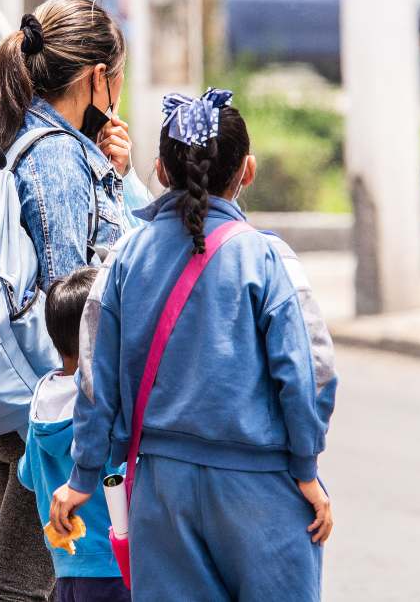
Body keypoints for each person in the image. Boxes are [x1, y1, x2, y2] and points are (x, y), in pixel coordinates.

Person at [49, 89, 339, 601]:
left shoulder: (123, 259)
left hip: (162, 491)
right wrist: (306, 470)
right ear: (246, 171)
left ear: (160, 170)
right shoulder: (268, 259)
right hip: (261, 487)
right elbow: (309, 371)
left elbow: (95, 377)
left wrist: (84, 475)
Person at [0, 0, 131, 602]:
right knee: (22, 586)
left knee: (34, 580)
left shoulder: (28, 138)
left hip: (17, 387)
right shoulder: (59, 156)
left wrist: (112, 174)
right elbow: (74, 299)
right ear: (97, 77)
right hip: (52, 401)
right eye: (117, 76)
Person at [18, 266, 129, 602]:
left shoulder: (42, 397)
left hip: (66, 566)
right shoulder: (103, 404)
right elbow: (121, 476)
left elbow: (27, 475)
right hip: (114, 565)